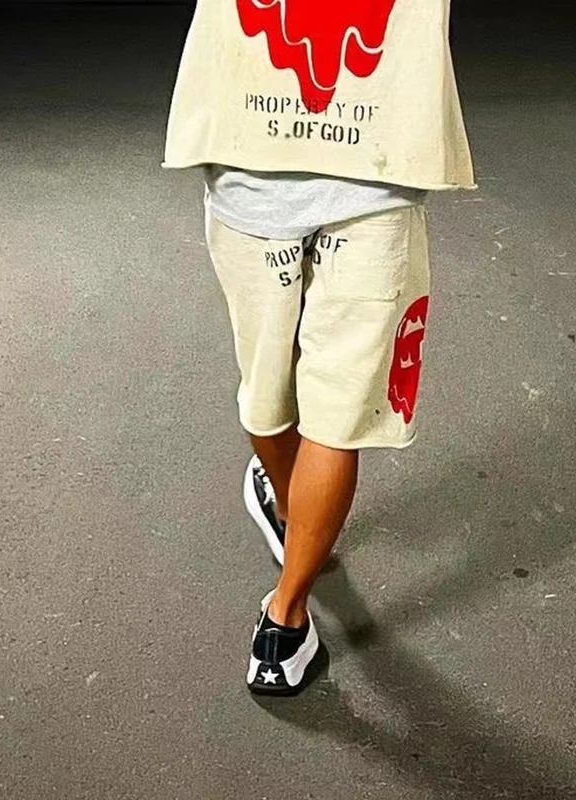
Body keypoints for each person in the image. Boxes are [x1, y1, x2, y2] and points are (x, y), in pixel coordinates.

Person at [164, 0, 475, 695]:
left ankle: (287, 526)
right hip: (377, 163)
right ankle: (286, 614)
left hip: (252, 162)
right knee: (337, 415)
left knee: (266, 388)